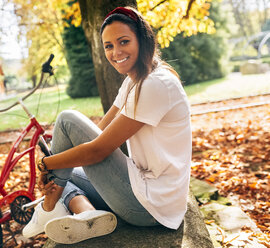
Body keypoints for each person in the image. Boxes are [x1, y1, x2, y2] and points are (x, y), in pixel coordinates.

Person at [22, 6, 192, 244]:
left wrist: (46, 163)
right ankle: (87, 213)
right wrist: (58, 164)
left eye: (124, 42)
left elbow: (97, 149)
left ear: (143, 40)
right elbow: (100, 130)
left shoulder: (156, 84)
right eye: (109, 46)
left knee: (66, 121)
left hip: (151, 207)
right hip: (141, 189)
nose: (116, 52)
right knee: (67, 167)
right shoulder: (135, 79)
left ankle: (49, 209)